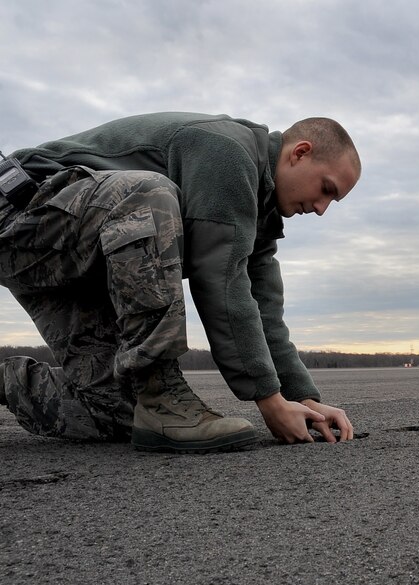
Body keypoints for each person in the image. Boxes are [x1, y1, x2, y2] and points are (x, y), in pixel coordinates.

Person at [0, 111, 360, 453]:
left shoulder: (260, 219)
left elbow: (263, 309)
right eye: (326, 189)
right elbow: (220, 281)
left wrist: (303, 400)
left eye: (334, 201)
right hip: (21, 211)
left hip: (72, 259)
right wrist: (268, 400)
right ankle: (162, 394)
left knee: (120, 411)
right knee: (147, 196)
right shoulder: (228, 153)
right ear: (300, 153)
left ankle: (9, 380)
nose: (321, 208)